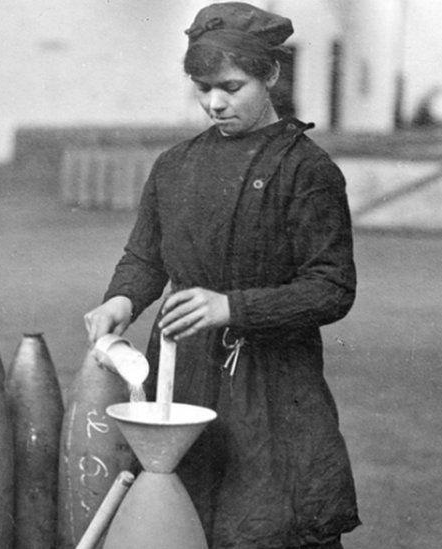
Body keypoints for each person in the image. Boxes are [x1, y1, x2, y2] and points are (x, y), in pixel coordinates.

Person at [84, 3, 359, 547]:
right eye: (202, 87)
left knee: (268, 527)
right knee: (180, 521)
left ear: (272, 75)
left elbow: (332, 287)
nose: (214, 103)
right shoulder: (175, 165)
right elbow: (145, 259)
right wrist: (120, 300)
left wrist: (233, 307)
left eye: (231, 87)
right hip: (181, 375)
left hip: (271, 388)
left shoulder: (307, 171)